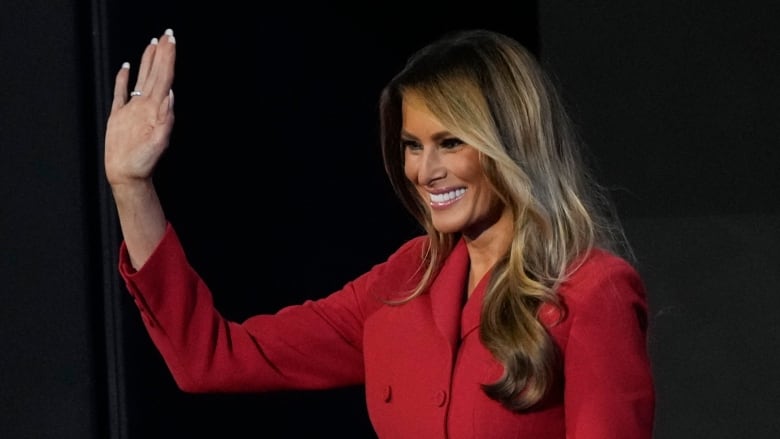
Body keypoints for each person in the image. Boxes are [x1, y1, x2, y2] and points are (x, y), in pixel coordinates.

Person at [104, 27, 655, 438]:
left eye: (451, 142)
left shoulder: (591, 291)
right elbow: (214, 358)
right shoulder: (405, 281)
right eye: (412, 146)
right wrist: (131, 187)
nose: (424, 170)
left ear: (510, 144)